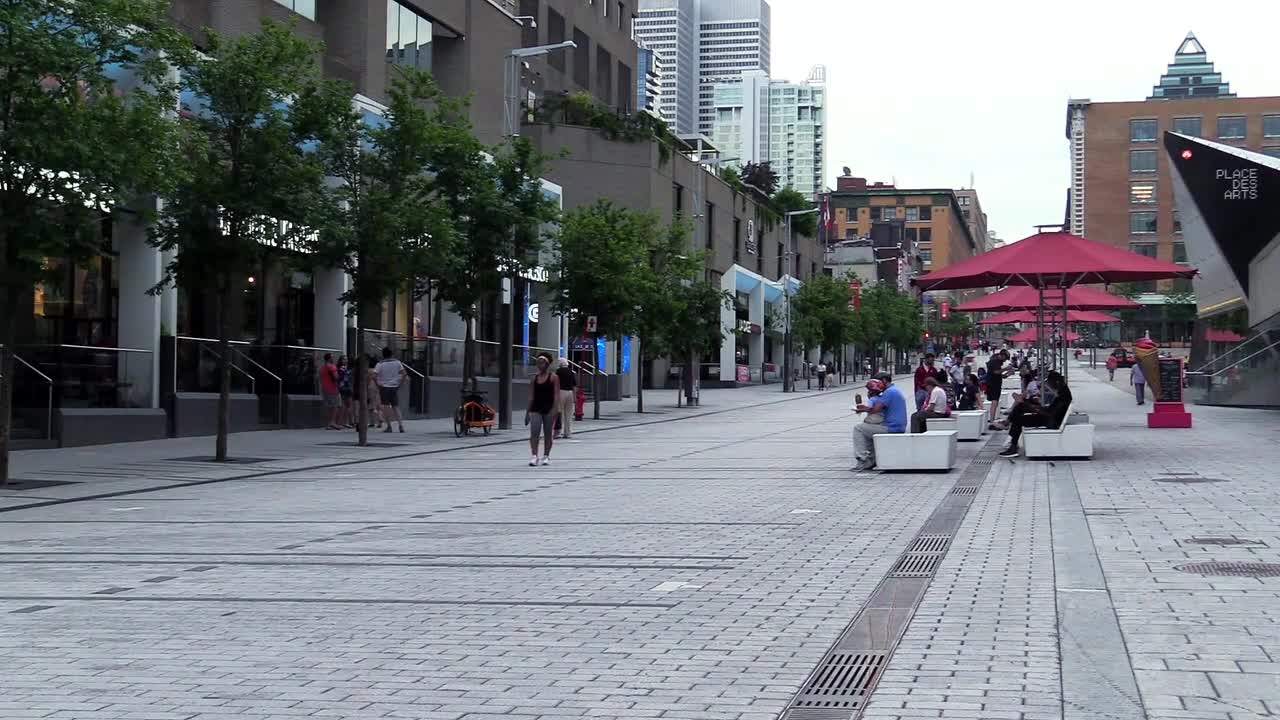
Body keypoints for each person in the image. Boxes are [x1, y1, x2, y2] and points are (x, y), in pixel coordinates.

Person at [999, 373, 1074, 457]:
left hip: (1050, 421)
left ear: (1055, 382)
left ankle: (1012, 446)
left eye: (1049, 383)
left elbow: (1051, 413)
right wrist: (1032, 406)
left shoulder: (1063, 396)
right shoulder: (1063, 392)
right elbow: (1051, 410)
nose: (1049, 385)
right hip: (1048, 418)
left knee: (1019, 419)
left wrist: (1033, 408)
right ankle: (1008, 423)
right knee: (1021, 406)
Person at [852, 377, 908, 471]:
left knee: (858, 429)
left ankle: (863, 460)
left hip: (891, 427)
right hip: (898, 426)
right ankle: (871, 459)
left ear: (884, 380)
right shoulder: (894, 390)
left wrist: (861, 409)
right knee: (867, 431)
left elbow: (874, 409)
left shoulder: (889, 392)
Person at [526, 354, 560, 466]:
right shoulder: (534, 378)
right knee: (534, 432)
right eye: (538, 363)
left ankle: (546, 455)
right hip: (536, 408)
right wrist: (528, 412)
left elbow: (556, 395)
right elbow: (531, 396)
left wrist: (555, 409)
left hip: (549, 408)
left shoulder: (553, 377)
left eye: (542, 362)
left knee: (547, 433)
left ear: (547, 364)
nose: (540, 365)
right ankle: (534, 455)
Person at [373, 346, 407, 433]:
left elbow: (374, 376)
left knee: (386, 406)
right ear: (391, 354)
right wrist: (400, 384)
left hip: (384, 387)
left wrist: (378, 384)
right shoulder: (397, 362)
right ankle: (401, 425)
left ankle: (389, 426)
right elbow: (404, 374)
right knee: (396, 406)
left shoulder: (380, 364)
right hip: (394, 386)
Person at [985, 350, 1010, 429]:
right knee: (994, 401)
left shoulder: (997, 362)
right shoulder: (995, 361)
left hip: (996, 384)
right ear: (1002, 355)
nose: (1005, 361)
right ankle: (992, 420)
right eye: (1005, 359)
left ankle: (992, 419)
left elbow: (999, 374)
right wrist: (1006, 368)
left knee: (995, 402)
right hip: (993, 384)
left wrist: (1008, 373)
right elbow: (996, 372)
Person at [554, 358, 577, 439]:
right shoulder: (571, 372)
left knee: (559, 412)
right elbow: (574, 385)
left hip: (561, 392)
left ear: (560, 364)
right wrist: (575, 396)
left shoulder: (558, 372)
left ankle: (558, 432)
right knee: (568, 413)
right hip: (570, 393)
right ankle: (567, 432)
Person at [319, 353, 342, 429]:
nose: (334, 358)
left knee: (328, 406)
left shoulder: (322, 368)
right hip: (332, 388)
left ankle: (328, 423)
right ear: (329, 359)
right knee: (334, 406)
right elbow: (336, 377)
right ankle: (332, 422)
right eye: (332, 357)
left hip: (324, 388)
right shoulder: (332, 366)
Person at [336, 355, 355, 428]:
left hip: (348, 387)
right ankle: (342, 422)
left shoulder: (347, 368)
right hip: (344, 388)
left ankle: (345, 422)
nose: (345, 360)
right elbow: (341, 378)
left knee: (348, 405)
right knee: (345, 405)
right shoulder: (341, 369)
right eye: (344, 359)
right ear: (340, 360)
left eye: (346, 359)